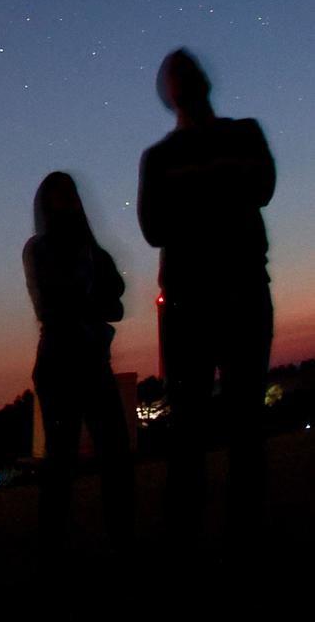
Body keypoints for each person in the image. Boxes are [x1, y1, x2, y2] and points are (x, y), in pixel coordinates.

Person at [138, 48, 276, 539]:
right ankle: (187, 548)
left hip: (242, 295)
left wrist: (191, 197)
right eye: (177, 74)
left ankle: (244, 540)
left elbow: (263, 185)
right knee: (188, 434)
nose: (187, 77)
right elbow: (153, 227)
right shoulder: (158, 158)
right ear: (168, 92)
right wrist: (223, 186)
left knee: (246, 429)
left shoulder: (245, 133)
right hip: (189, 306)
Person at [23, 172, 132, 553]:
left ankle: (120, 540)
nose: (68, 200)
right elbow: (55, 305)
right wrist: (92, 301)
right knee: (62, 460)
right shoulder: (40, 248)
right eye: (59, 194)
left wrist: (88, 301)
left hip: (93, 360)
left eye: (71, 192)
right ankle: (52, 550)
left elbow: (114, 301)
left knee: (115, 454)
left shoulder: (91, 250)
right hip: (60, 361)